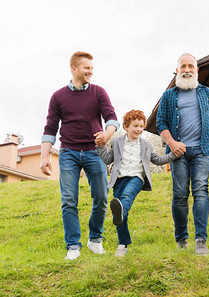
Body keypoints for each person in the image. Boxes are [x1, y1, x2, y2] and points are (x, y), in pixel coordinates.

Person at [40, 51, 119, 260]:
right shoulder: (58, 96)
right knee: (68, 200)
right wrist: (44, 157)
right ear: (74, 69)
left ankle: (95, 240)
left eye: (92, 68)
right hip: (68, 153)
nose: (90, 71)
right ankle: (73, 246)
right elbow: (50, 128)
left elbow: (112, 118)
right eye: (86, 68)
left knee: (101, 197)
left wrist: (106, 134)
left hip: (94, 152)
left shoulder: (98, 92)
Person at [156, 53, 209, 255]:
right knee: (180, 194)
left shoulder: (207, 93)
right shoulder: (168, 96)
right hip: (177, 152)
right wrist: (172, 143)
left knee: (201, 190)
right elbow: (160, 123)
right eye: (183, 66)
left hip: (203, 150)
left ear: (197, 70)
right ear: (177, 70)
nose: (187, 69)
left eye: (191, 66)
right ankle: (181, 239)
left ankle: (201, 240)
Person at [96, 110, 178, 257]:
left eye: (141, 126)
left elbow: (157, 160)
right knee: (122, 215)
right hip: (119, 179)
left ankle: (119, 213)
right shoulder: (116, 142)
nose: (139, 129)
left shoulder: (146, 145)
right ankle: (123, 244)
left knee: (126, 198)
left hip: (136, 178)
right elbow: (108, 159)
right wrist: (100, 146)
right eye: (135, 126)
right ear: (126, 127)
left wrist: (172, 155)